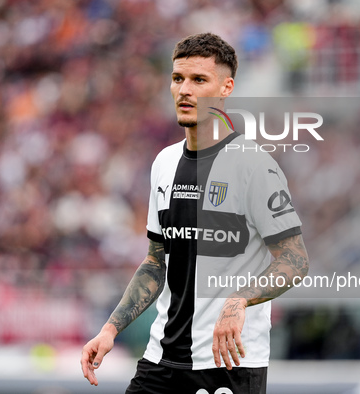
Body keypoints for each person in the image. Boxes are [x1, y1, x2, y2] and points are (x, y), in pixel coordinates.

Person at [80, 32, 309, 394]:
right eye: (177, 79)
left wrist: (240, 299)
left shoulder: (255, 168)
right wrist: (110, 329)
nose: (184, 90)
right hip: (161, 360)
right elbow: (156, 263)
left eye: (199, 80)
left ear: (225, 87)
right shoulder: (164, 163)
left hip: (229, 365)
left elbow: (295, 261)